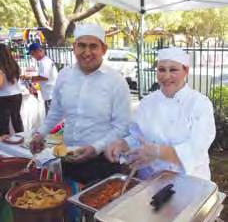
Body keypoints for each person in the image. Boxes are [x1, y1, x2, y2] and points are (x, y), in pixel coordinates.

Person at [30, 23, 131, 184]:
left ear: (103, 49)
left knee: (98, 207)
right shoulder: (64, 75)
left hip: (103, 160)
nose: (87, 52)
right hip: (68, 157)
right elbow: (56, 111)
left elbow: (122, 126)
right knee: (69, 203)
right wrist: (40, 134)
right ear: (73, 47)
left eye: (93, 46)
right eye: (81, 46)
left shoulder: (116, 81)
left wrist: (95, 148)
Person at [105, 47, 216, 180]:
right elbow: (138, 137)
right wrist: (122, 144)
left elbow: (196, 149)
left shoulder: (199, 103)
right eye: (162, 69)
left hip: (189, 181)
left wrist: (159, 152)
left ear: (186, 70)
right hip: (150, 181)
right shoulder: (147, 102)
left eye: (173, 70)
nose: (166, 76)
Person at [21, 43, 58, 115]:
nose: (32, 56)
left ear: (38, 51)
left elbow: (44, 77)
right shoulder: (45, 61)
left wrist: (29, 78)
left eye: (32, 54)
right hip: (50, 93)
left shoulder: (44, 62)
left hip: (50, 94)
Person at [0, 43, 24, 135]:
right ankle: (21, 139)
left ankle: (4, 146)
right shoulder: (14, 65)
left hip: (4, 97)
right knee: (17, 119)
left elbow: (0, 85)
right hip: (17, 94)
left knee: (3, 123)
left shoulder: (1, 67)